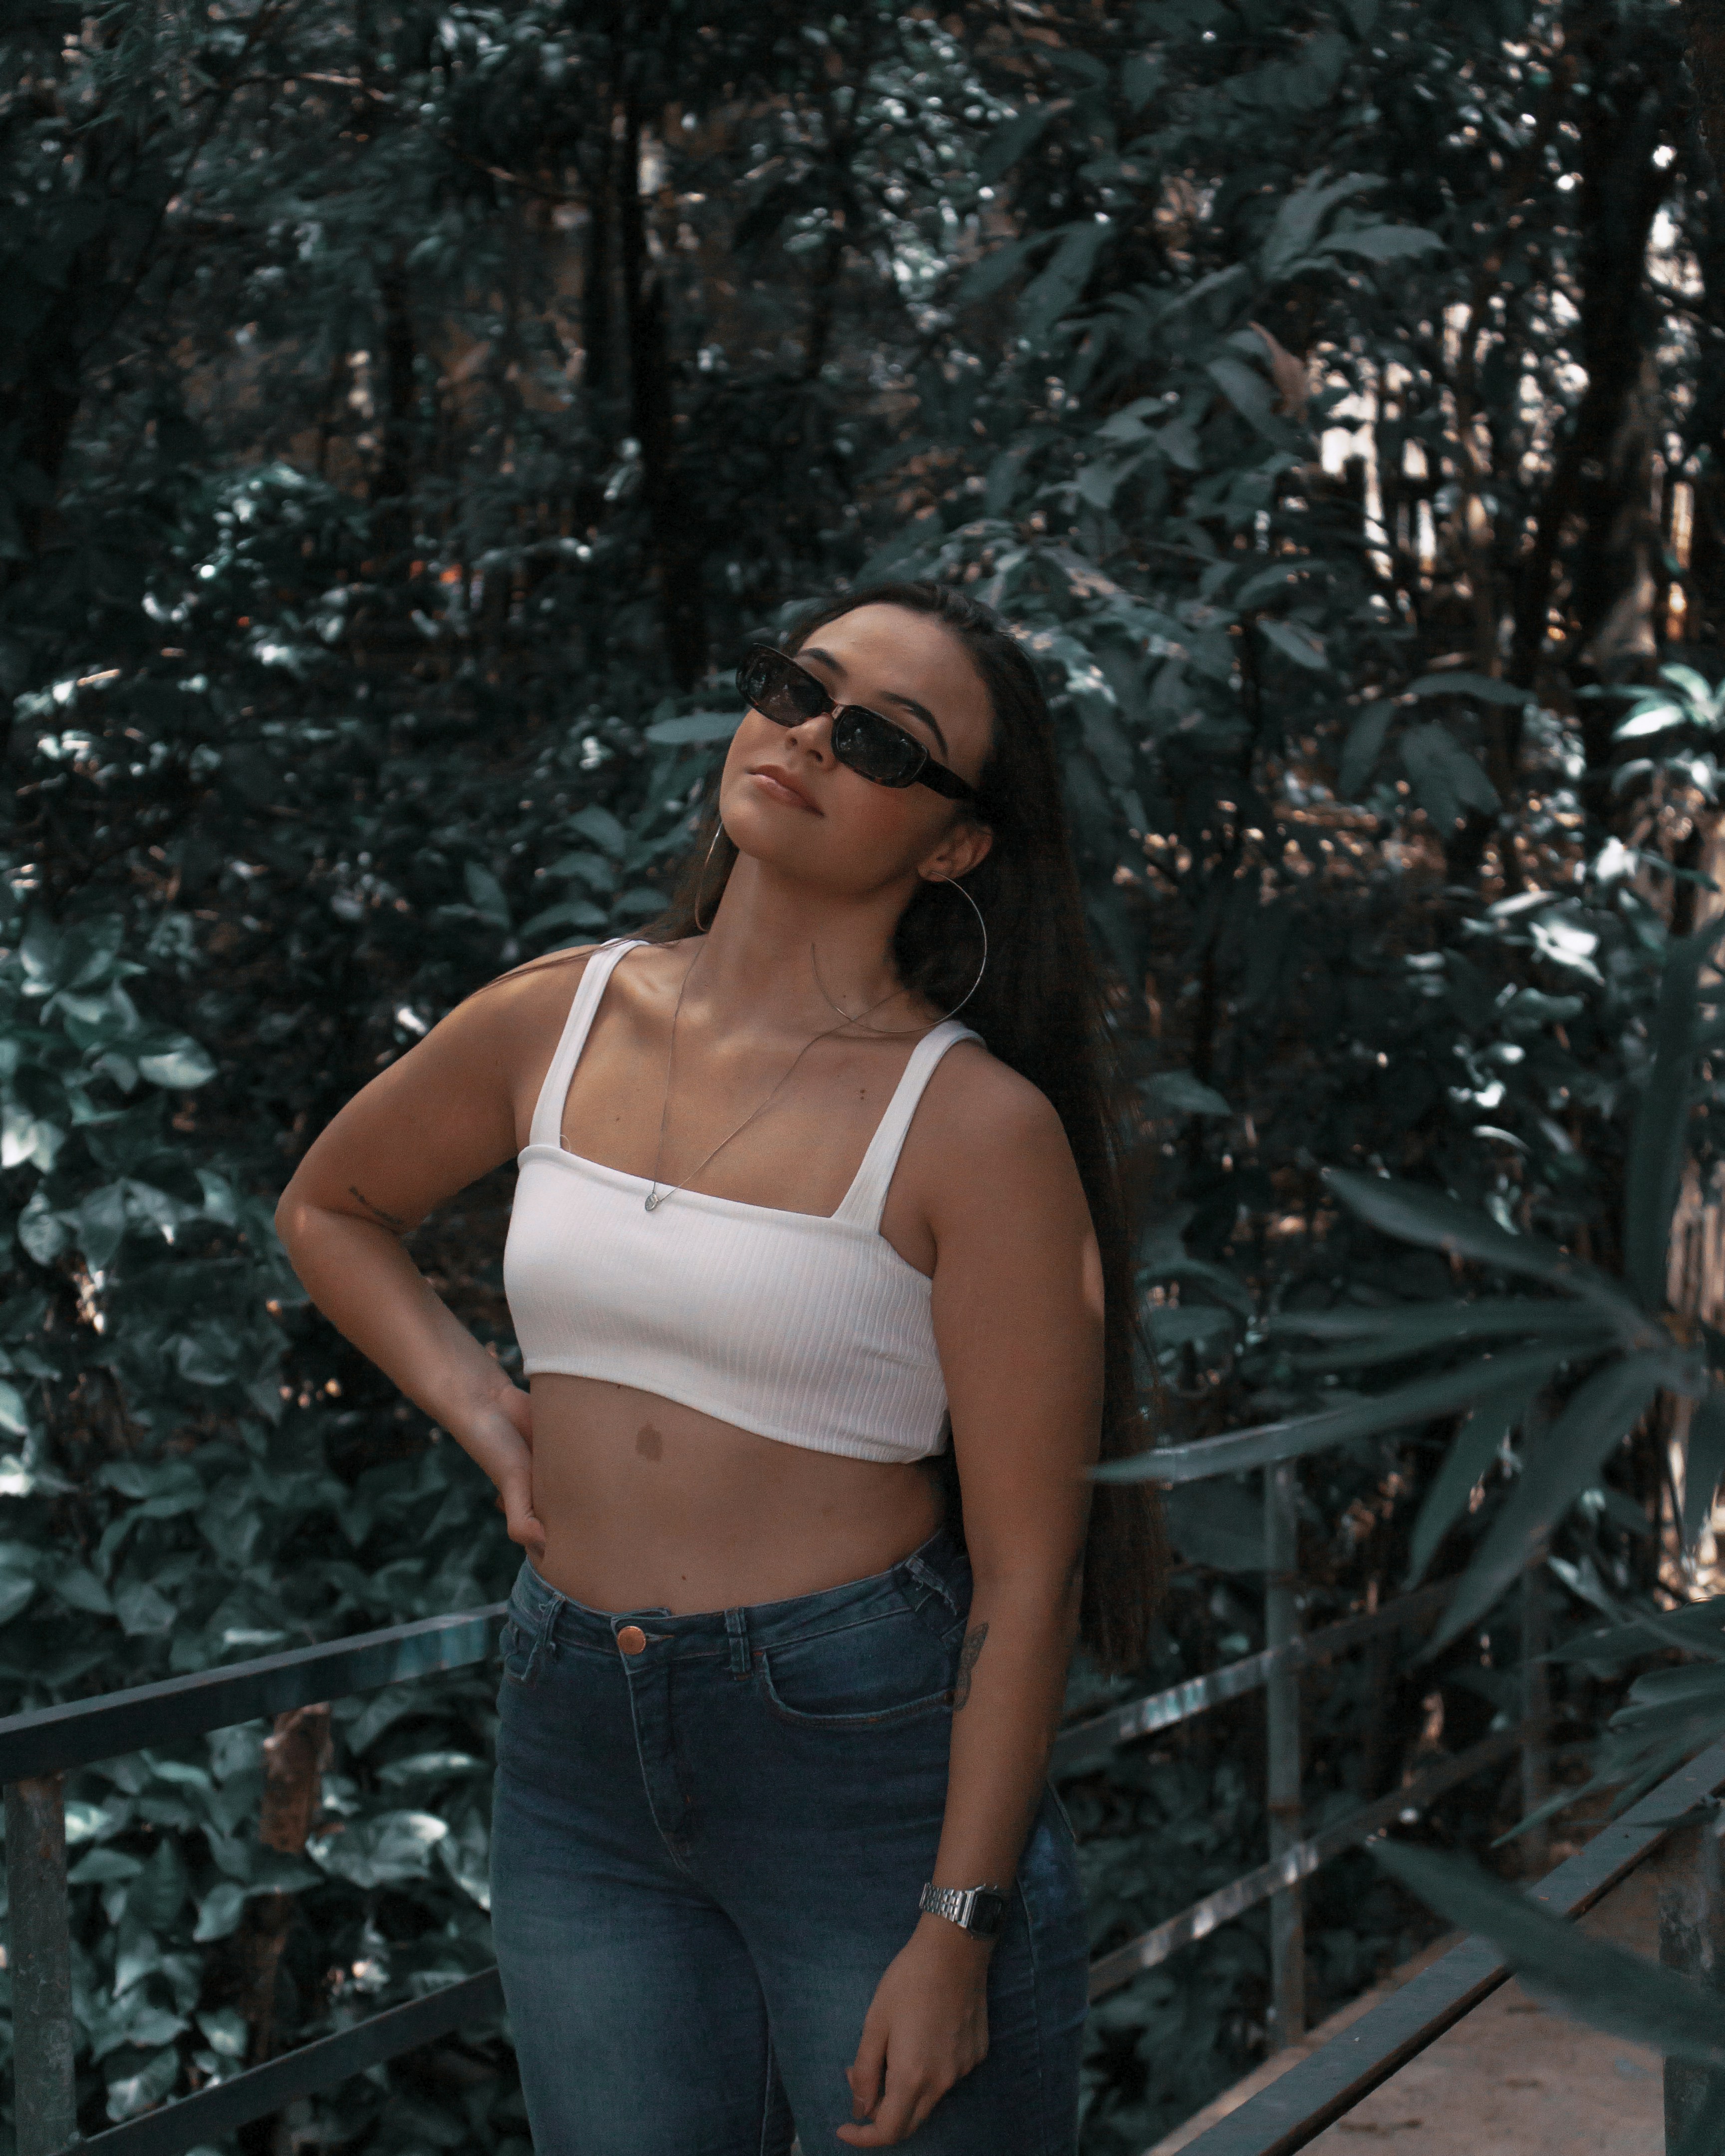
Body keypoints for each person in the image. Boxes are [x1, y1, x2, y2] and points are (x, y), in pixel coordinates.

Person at [275, 580, 1161, 2153]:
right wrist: (487, 1409)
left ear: (954, 844)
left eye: (884, 741)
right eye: (796, 687)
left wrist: (959, 1924)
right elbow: (331, 1208)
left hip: (863, 1753)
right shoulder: (560, 1016)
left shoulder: (973, 1129)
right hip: (574, 1730)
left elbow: (1031, 1581)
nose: (813, 736)